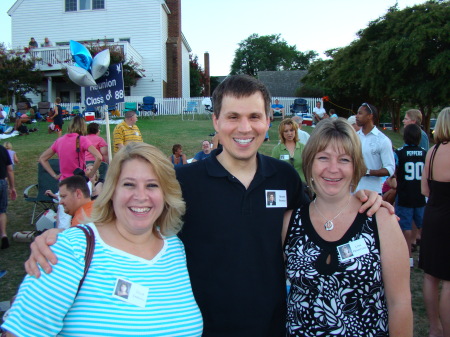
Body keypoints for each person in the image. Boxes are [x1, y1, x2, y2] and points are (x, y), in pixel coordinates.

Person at [25, 75, 388, 336]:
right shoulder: (185, 183)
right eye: (232, 116)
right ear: (216, 121)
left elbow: (318, 217)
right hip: (200, 328)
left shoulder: (284, 178)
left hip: (276, 327)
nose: (244, 127)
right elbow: (131, 225)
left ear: (268, 121)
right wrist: (65, 236)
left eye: (254, 116)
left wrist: (361, 198)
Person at [2, 142, 203, 336]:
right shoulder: (70, 249)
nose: (141, 196)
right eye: (129, 184)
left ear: (166, 193)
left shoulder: (175, 248)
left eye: (152, 185)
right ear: (112, 191)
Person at [283, 118, 412, 336]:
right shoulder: (290, 223)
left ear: (356, 166)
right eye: (323, 158)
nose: (333, 169)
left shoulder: (380, 220)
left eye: (344, 160)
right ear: (309, 163)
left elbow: (399, 303)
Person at [419, 107, 450, 337]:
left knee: (430, 275)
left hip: (432, 215)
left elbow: (425, 189)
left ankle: (434, 327)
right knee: (449, 280)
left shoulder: (432, 150)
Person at [394, 124, 426, 268]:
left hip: (405, 195)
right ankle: (424, 256)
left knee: (405, 227)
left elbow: (394, 171)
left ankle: (408, 257)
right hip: (420, 195)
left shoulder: (400, 153)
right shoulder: (425, 152)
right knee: (422, 225)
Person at [39, 116, 102, 182]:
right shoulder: (82, 140)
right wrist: (91, 175)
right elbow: (99, 157)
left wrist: (55, 175)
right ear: (83, 127)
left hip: (64, 182)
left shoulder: (59, 141)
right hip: (78, 180)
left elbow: (42, 158)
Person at [355, 103, 395, 194]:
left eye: (360, 113)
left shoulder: (383, 140)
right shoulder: (353, 137)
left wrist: (368, 172)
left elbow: (390, 169)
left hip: (372, 192)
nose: (356, 116)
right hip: (352, 192)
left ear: (370, 116)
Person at [0, 144, 16, 250]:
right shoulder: (2, 149)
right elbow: (9, 169)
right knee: (1, 211)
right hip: (1, 182)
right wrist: (12, 187)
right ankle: (4, 235)